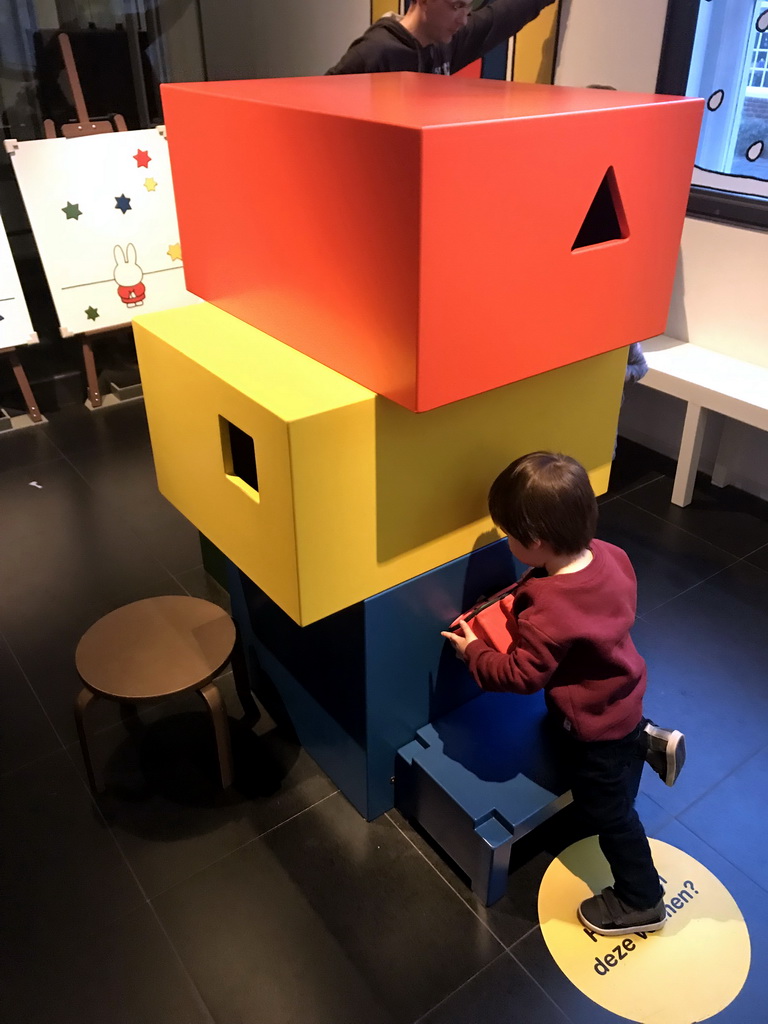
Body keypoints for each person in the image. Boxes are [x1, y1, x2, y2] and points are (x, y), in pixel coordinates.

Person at [441, 451, 686, 936]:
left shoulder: (549, 610)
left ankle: (642, 900)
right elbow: (581, 615)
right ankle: (646, 740)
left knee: (610, 814)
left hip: (594, 726)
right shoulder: (611, 555)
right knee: (617, 733)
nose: (508, 543)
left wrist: (474, 654)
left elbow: (521, 675)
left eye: (511, 536)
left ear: (534, 541)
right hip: (622, 687)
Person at [327, 0, 556, 76]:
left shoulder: (445, 43)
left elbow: (504, 15)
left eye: (466, 8)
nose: (463, 19)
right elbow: (315, 117)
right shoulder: (375, 53)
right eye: (455, 6)